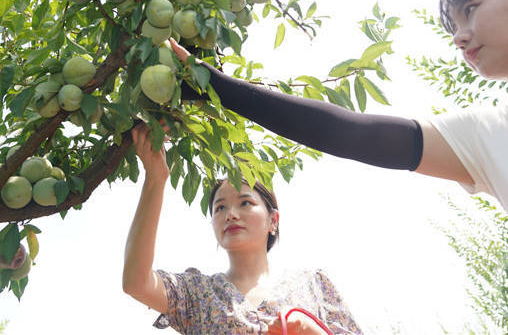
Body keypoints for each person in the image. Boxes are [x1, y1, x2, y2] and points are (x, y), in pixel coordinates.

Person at [169, 0, 508, 332]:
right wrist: (215, 86)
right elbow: (350, 132)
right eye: (453, 25)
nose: (459, 36)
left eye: (471, 8)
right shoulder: (493, 136)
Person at [122, 123, 364, 334]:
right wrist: (155, 179)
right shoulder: (196, 293)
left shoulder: (313, 286)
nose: (231, 214)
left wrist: (310, 331)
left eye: (245, 203)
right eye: (220, 208)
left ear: (274, 220)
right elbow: (136, 282)